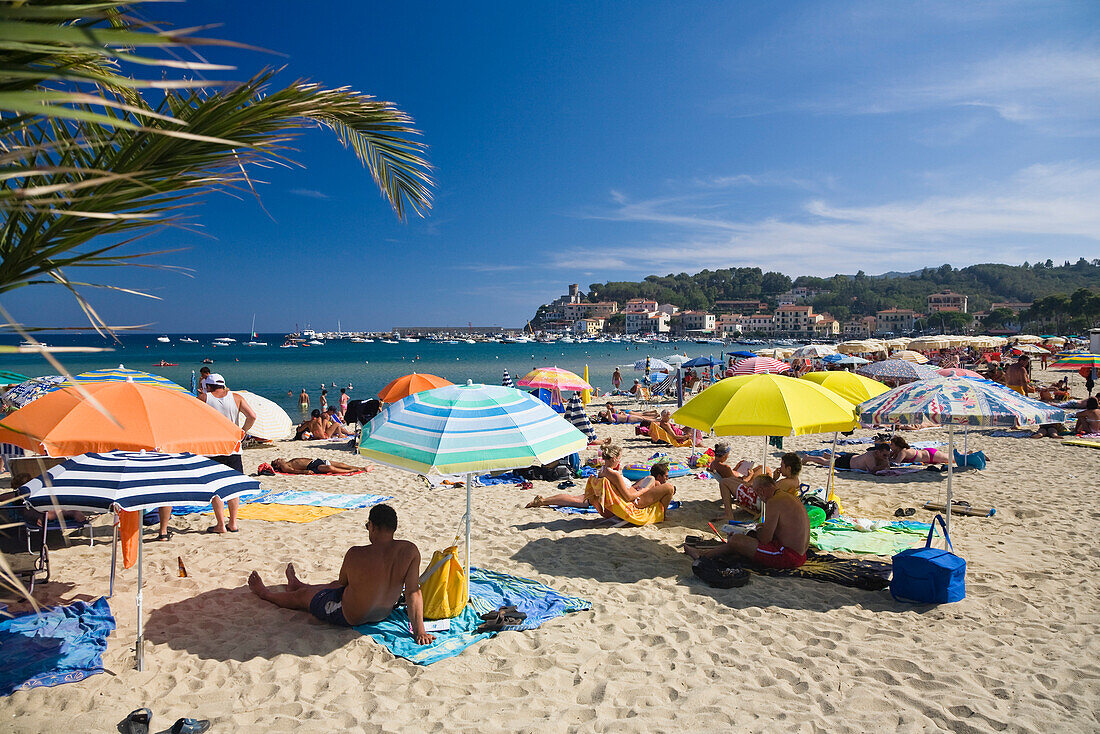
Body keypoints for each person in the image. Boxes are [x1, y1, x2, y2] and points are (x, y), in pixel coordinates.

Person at [247, 504, 435, 644]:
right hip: (382, 614)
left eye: (367, 526)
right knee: (332, 586)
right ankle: (298, 584)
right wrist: (420, 631)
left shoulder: (356, 554)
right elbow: (413, 592)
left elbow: (343, 582)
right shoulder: (410, 551)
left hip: (348, 615)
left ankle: (265, 593)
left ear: (374, 527)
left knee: (302, 598)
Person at [684, 475, 810, 569]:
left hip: (788, 556)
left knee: (736, 540)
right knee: (739, 539)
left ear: (761, 491)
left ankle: (702, 555)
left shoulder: (773, 502)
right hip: (799, 554)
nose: (758, 498)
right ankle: (704, 554)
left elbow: (765, 539)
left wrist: (759, 529)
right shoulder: (787, 497)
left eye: (757, 493)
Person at [525, 447, 676, 516]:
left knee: (574, 499)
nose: (620, 460)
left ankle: (544, 501)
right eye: (619, 457)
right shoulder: (613, 474)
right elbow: (629, 497)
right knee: (666, 487)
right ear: (614, 459)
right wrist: (642, 490)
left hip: (603, 498)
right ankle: (661, 514)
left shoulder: (603, 470)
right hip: (623, 502)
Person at [198, 373, 256, 534]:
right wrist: (243, 431)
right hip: (233, 446)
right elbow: (252, 416)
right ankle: (233, 523)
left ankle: (220, 524)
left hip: (212, 447)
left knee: (216, 487)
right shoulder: (236, 397)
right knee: (233, 486)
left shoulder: (204, 398)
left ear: (208, 386)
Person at [800, 443, 891, 473]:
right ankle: (808, 458)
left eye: (887, 455)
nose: (886, 457)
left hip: (852, 458)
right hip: (847, 463)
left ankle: (828, 455)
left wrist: (885, 462)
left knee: (836, 458)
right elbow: (872, 470)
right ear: (878, 452)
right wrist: (884, 465)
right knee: (826, 462)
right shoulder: (870, 456)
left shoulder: (880, 455)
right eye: (884, 455)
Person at [270, 458, 371, 475]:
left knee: (342, 465)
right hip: (312, 467)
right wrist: (304, 472)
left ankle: (362, 468)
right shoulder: (283, 466)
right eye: (277, 460)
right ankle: (355, 470)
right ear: (277, 464)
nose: (279, 458)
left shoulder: (286, 462)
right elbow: (292, 471)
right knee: (331, 468)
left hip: (315, 461)